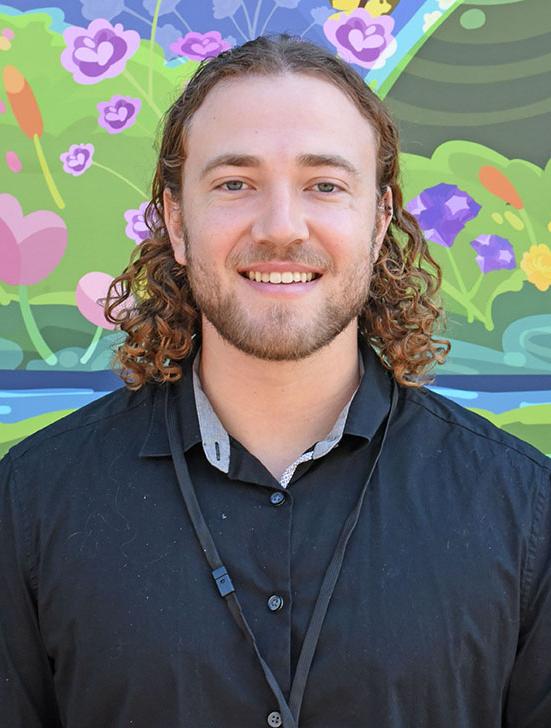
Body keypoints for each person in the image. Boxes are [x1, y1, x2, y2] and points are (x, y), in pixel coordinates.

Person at [1, 34, 550, 728]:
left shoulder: (525, 510)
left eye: (324, 185)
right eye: (235, 184)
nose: (282, 227)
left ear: (379, 221)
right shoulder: (30, 503)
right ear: (175, 221)